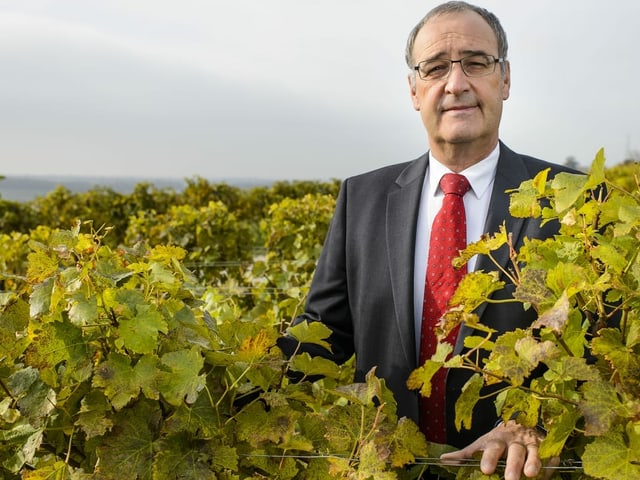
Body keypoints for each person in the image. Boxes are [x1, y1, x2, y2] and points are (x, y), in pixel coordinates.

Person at [278, 2, 577, 479]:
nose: (455, 83)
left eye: (475, 62)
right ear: (414, 90)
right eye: (435, 68)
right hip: (389, 467)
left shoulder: (572, 201)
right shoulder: (362, 198)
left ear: (505, 79)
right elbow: (324, 334)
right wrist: (232, 375)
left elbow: (601, 357)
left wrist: (532, 422)